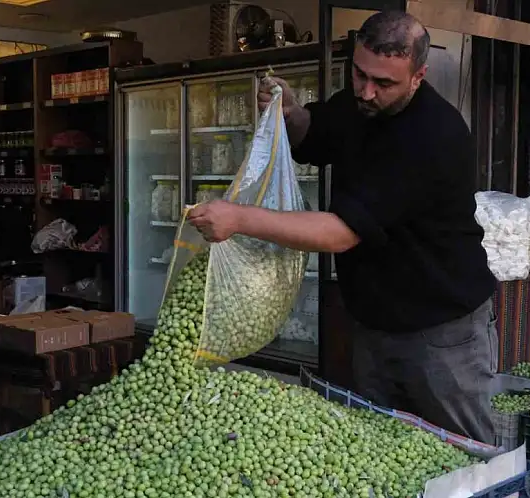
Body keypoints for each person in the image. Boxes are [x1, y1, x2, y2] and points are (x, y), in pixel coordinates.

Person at [187, 11, 499, 444]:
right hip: (373, 321)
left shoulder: (433, 135)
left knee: (463, 452)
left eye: (384, 83)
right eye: (359, 74)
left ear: (418, 75)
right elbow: (317, 132)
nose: (367, 91)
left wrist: (239, 219)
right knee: (379, 448)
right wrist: (291, 111)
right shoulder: (359, 105)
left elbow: (341, 233)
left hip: (440, 330)